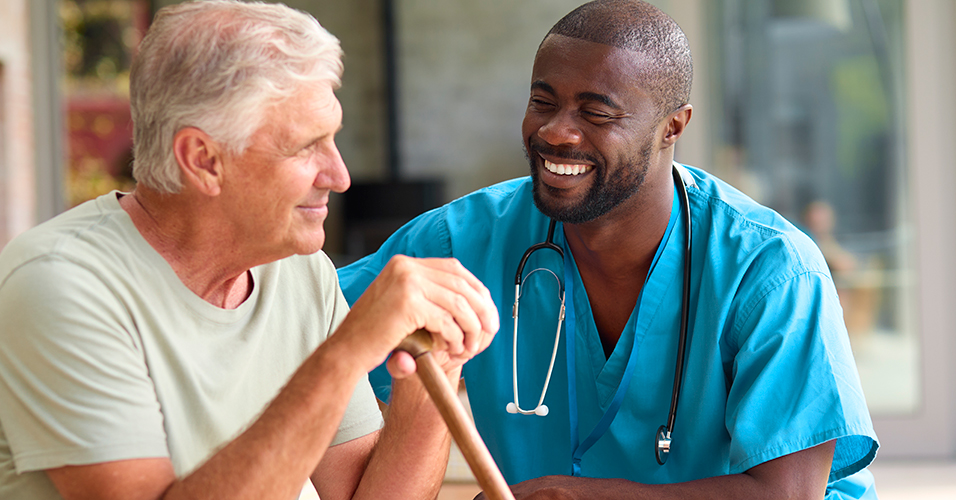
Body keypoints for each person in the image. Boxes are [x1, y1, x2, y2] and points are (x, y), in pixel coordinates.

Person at [0, 1, 499, 499]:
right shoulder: (59, 288)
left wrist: (433, 375)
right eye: (306, 147)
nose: (339, 175)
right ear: (203, 160)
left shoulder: (299, 273)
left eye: (333, 139)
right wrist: (348, 350)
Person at [337, 0, 879, 498]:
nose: (556, 132)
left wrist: (577, 496)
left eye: (596, 113)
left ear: (672, 127)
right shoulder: (461, 241)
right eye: (542, 102)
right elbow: (313, 319)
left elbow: (789, 494)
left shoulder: (771, 270)